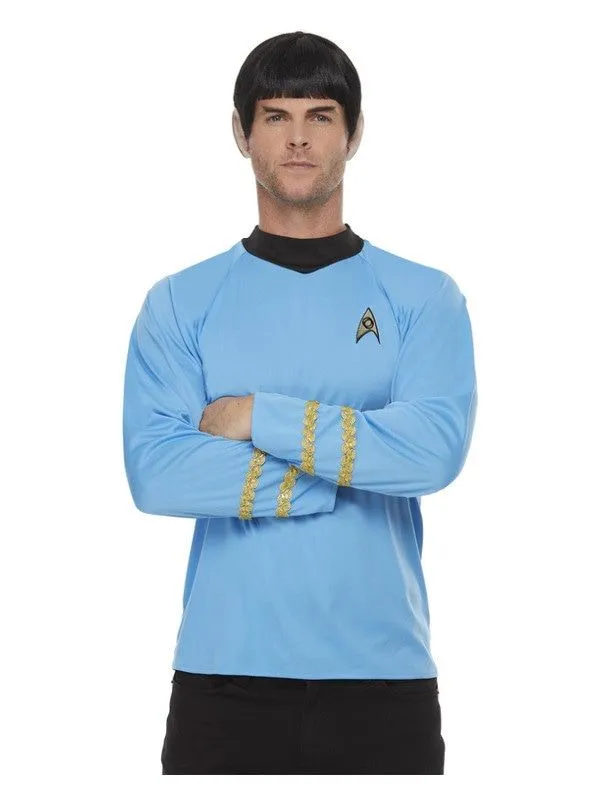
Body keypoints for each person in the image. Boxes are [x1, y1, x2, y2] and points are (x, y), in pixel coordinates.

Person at [122, 30, 477, 775]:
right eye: (276, 116)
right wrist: (353, 469)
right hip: (222, 677)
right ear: (242, 133)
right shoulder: (180, 303)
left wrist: (256, 416)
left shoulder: (424, 297)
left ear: (354, 133)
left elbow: (431, 453)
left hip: (385, 677)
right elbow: (157, 472)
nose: (297, 139)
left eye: (320, 116)